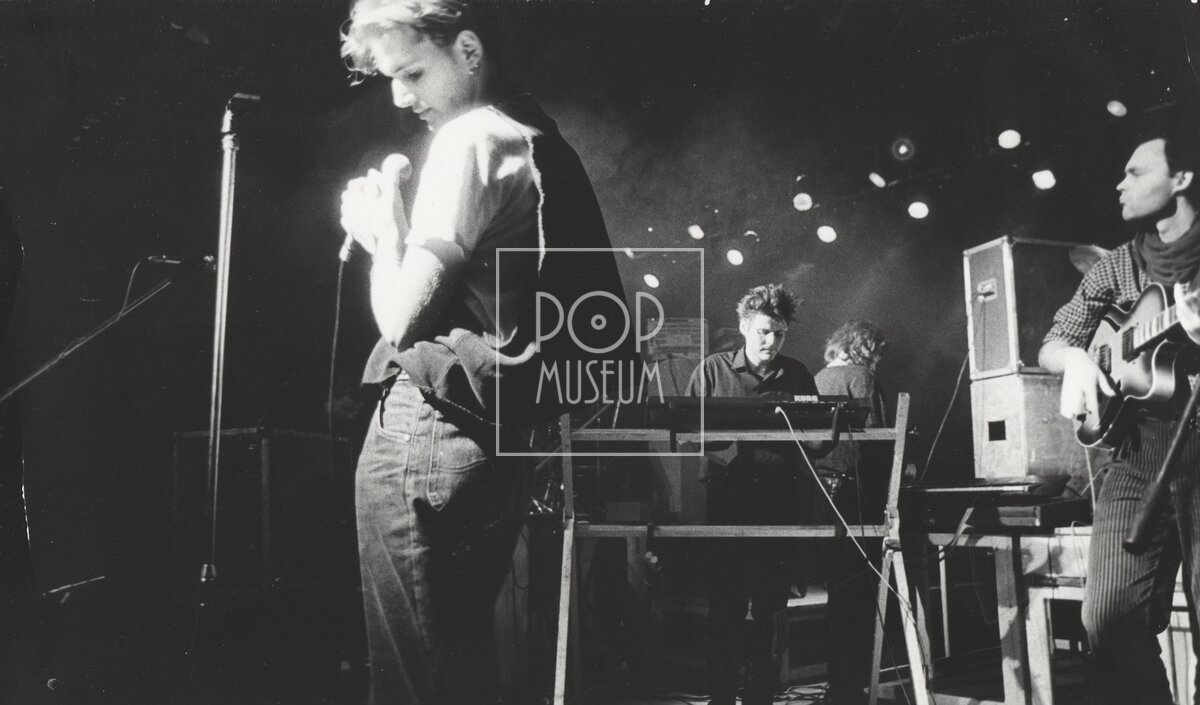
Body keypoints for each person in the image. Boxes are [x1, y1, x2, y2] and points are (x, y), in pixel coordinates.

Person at [338, 2, 630, 702]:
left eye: (413, 73)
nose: (401, 98)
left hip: (425, 433)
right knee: (457, 665)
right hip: (490, 444)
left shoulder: (469, 137)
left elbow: (401, 318)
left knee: (416, 679)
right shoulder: (538, 138)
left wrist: (383, 232)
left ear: (468, 51)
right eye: (390, 78)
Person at [1038, 117, 1200, 705]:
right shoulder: (1118, 264)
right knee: (1107, 620)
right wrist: (1078, 361)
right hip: (1138, 453)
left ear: (1181, 178)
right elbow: (1053, 341)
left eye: (1135, 172)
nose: (1120, 184)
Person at [685, 284, 817, 705]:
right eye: (763, 332)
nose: (771, 342)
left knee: (771, 605)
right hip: (727, 499)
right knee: (725, 602)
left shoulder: (797, 374)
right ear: (743, 327)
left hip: (778, 501)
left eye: (779, 334)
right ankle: (722, 696)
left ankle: (762, 696)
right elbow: (686, 430)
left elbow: (816, 436)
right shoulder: (712, 369)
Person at [813, 320, 888, 705]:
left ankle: (836, 685)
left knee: (837, 590)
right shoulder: (861, 377)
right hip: (855, 494)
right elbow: (878, 440)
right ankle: (849, 688)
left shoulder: (817, 378)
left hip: (821, 494)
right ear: (866, 348)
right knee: (858, 593)